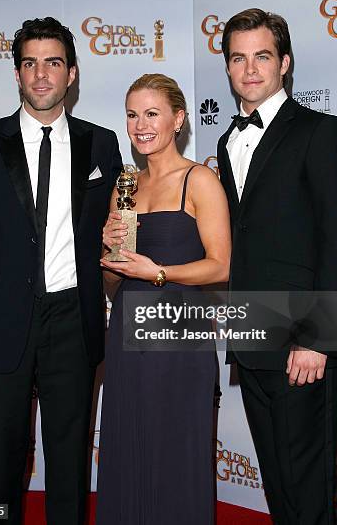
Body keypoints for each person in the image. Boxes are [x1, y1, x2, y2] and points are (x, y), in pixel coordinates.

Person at [0, 17, 122, 525]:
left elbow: (119, 229)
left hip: (74, 319)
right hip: (0, 323)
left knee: (69, 464)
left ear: (72, 74)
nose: (41, 75)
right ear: (17, 74)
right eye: (30, 63)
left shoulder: (101, 145)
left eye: (53, 62)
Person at [217, 8, 337, 524]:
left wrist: (317, 338)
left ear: (285, 63)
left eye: (262, 56)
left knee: (308, 490)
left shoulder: (322, 132)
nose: (250, 68)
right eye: (239, 58)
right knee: (278, 485)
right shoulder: (227, 141)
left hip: (304, 344)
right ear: (228, 67)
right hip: (251, 338)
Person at [96, 73, 231, 524]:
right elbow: (116, 278)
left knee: (175, 452)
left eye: (152, 113)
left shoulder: (200, 180)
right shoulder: (124, 186)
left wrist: (157, 272)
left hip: (179, 338)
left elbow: (221, 265)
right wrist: (108, 255)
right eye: (132, 115)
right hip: (127, 340)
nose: (141, 126)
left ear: (178, 119)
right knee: (128, 445)